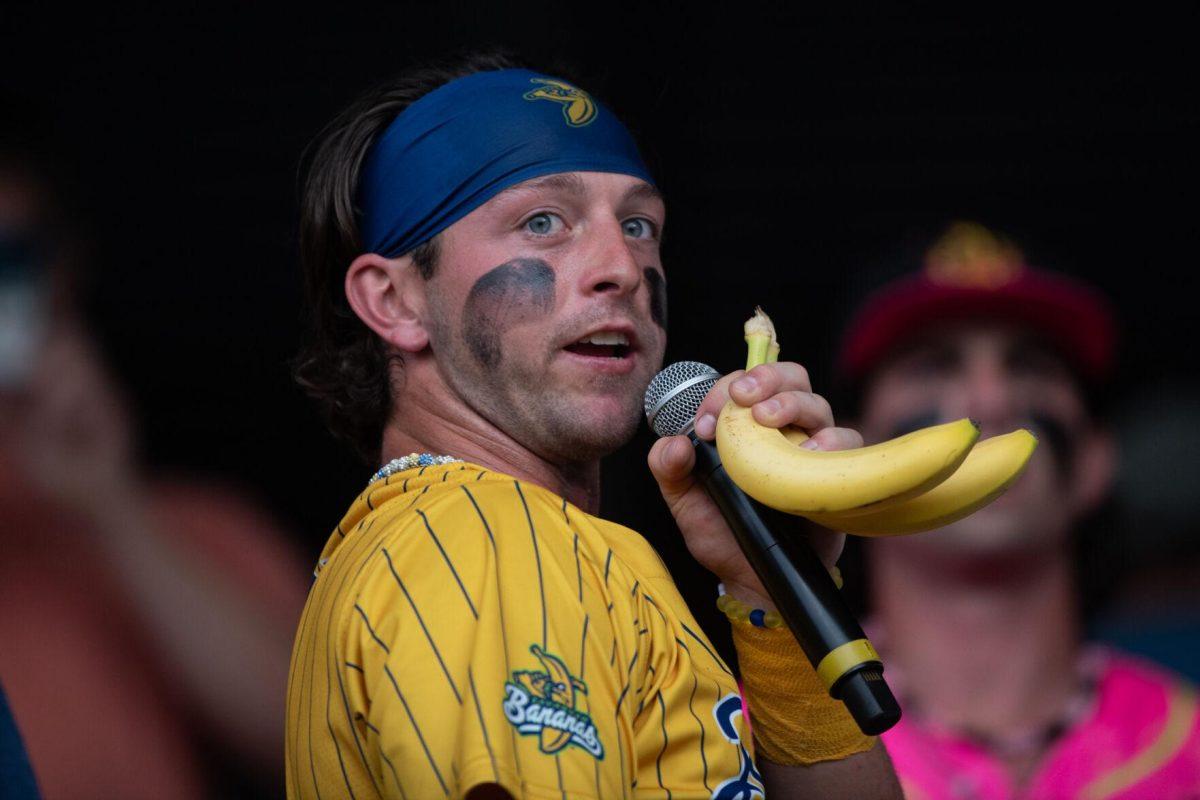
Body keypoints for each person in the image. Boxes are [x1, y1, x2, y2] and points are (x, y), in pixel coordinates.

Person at [286, 52, 903, 799]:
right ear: (396, 302)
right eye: (543, 221)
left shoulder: (519, 542)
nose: (622, 265)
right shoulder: (481, 535)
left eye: (640, 225)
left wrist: (773, 599)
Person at [836, 221, 1200, 798]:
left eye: (1031, 367)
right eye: (933, 366)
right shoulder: (756, 740)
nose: (990, 400)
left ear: (1095, 462)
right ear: (849, 451)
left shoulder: (1190, 744)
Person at [0, 129, 309, 798]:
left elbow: (321, 744)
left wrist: (109, 506)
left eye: (8, 261)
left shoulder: (192, 528)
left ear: (64, 268)